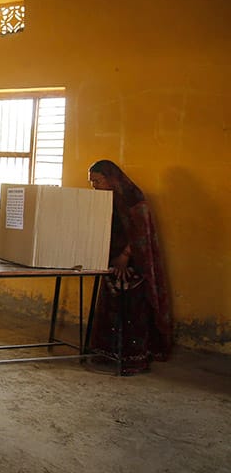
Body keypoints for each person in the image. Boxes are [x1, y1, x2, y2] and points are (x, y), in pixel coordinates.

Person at [87, 160, 173, 375]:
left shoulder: (134, 200)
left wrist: (124, 257)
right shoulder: (105, 201)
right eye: (92, 182)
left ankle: (133, 359)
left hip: (135, 264)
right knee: (111, 307)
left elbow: (140, 232)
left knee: (133, 311)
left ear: (111, 179)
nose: (94, 187)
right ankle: (108, 354)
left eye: (97, 181)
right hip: (112, 262)